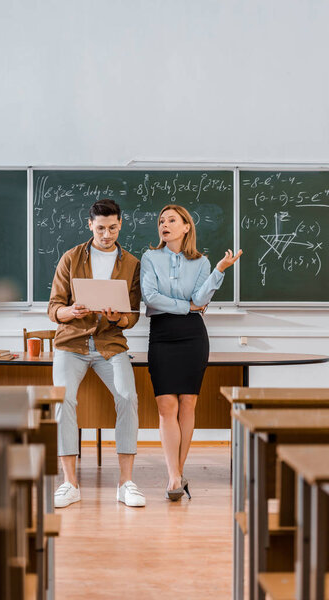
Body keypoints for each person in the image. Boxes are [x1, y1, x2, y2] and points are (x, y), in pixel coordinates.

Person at [140, 204, 242, 501]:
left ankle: (175, 475)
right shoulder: (150, 257)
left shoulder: (202, 262)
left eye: (171, 220)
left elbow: (201, 297)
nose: (164, 225)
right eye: (161, 220)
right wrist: (186, 307)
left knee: (187, 405)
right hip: (162, 334)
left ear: (186, 227)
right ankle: (176, 476)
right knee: (165, 406)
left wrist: (219, 271)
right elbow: (151, 298)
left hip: (192, 337)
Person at [49, 198, 146, 508]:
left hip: (110, 344)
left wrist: (118, 317)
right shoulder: (71, 258)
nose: (107, 235)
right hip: (72, 343)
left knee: (128, 397)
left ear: (121, 225)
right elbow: (53, 308)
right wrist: (70, 311)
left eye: (113, 228)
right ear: (90, 225)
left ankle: (126, 483)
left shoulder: (131, 263)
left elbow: (133, 315)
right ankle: (70, 483)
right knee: (63, 399)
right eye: (101, 228)